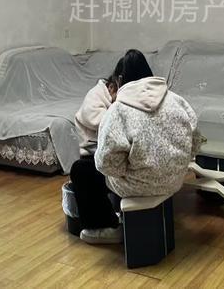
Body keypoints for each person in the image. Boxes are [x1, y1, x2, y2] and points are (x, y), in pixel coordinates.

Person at [78, 49, 201, 244]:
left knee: (81, 169)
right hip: (175, 180)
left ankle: (105, 227)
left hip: (138, 186)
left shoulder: (118, 110)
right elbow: (195, 142)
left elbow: (107, 165)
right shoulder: (177, 101)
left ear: (120, 80)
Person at [69, 60, 122, 242]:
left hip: (107, 152)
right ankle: (102, 225)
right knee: (82, 170)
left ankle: (113, 216)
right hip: (91, 154)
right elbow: (99, 121)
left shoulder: (111, 97)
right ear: (112, 87)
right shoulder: (95, 96)